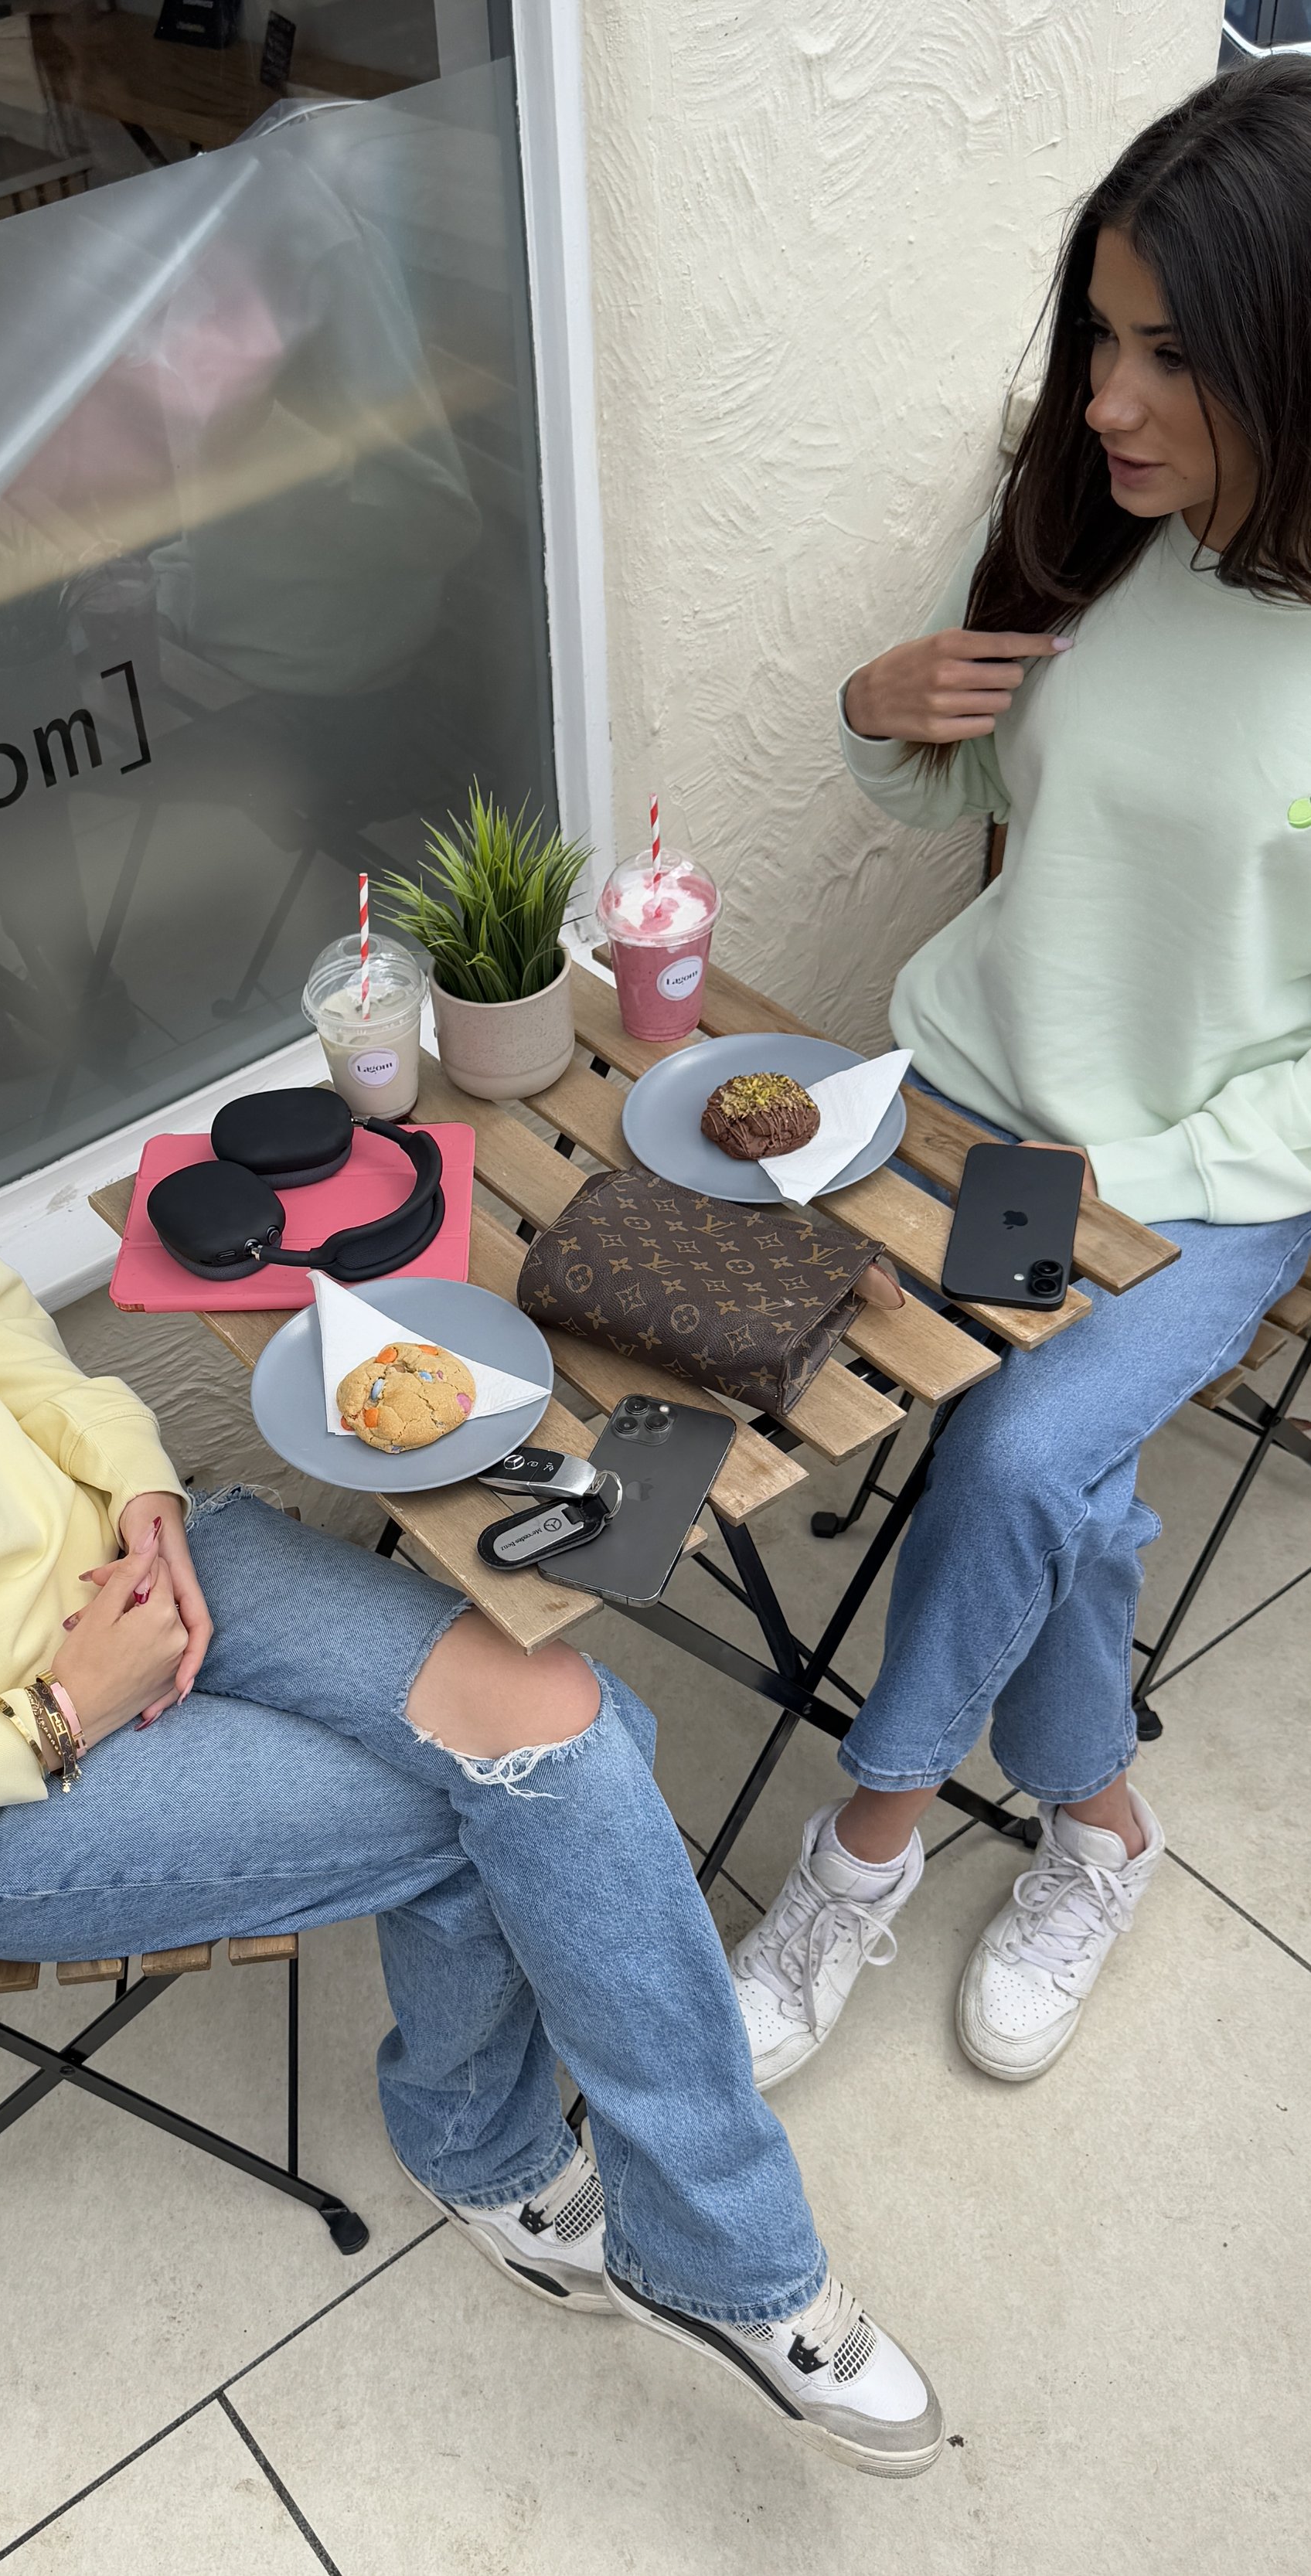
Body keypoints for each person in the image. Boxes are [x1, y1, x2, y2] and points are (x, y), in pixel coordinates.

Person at [0, 798, 940, 2477]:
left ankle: (608, 2204)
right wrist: (50, 1714)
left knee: (558, 1720)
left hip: (125, 1563)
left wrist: (128, 1482)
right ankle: (621, 2213)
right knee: (521, 1798)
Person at [731, 57, 1311, 2092]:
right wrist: (879, 712)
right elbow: (995, 772)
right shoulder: (1101, 530)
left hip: (1214, 1167)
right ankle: (1099, 1826)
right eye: (1097, 336)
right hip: (962, 1090)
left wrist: (1123, 1182)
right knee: (1025, 1479)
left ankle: (857, 1852)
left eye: (1165, 353)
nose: (1102, 400)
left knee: (999, 1455)